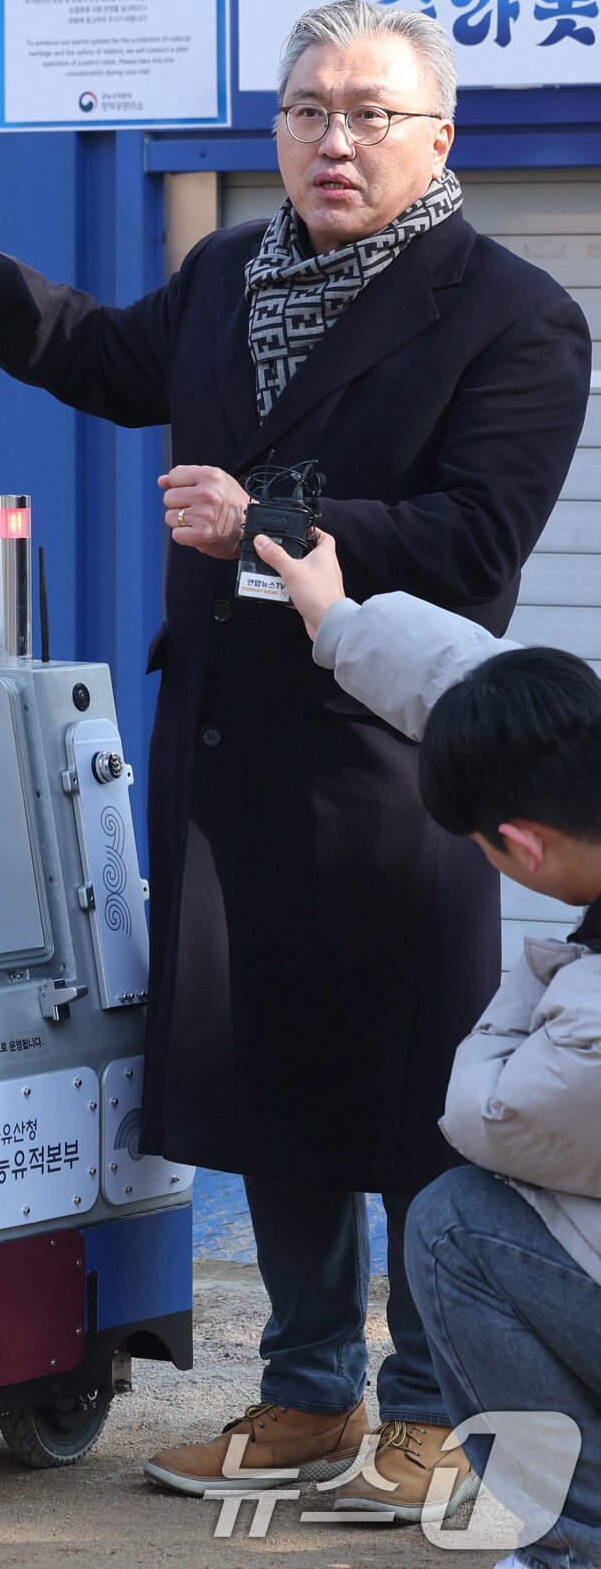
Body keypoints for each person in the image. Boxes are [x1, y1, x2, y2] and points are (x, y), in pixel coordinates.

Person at [0, 0, 591, 1518]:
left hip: (392, 760)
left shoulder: (515, 311)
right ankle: (306, 1395)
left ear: (440, 134)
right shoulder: (225, 271)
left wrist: (265, 516)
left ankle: (429, 1414)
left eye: (373, 112)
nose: (337, 138)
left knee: (410, 1096)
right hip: (222, 745)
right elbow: (104, 356)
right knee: (269, 1082)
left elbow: (476, 544)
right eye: (310, 107)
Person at [258, 525, 601, 1569]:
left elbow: (485, 1117)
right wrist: (339, 620)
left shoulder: (587, 1019)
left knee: (456, 1222)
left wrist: (530, 973)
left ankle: (571, 1545)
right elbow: (494, 686)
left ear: (521, 849)